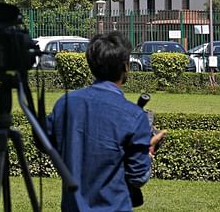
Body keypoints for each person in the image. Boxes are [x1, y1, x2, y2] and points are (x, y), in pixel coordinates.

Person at [46, 31, 167, 211]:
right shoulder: (133, 115)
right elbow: (138, 177)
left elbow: (45, 141)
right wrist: (148, 150)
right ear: (126, 67)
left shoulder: (65, 104)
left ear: (91, 65)